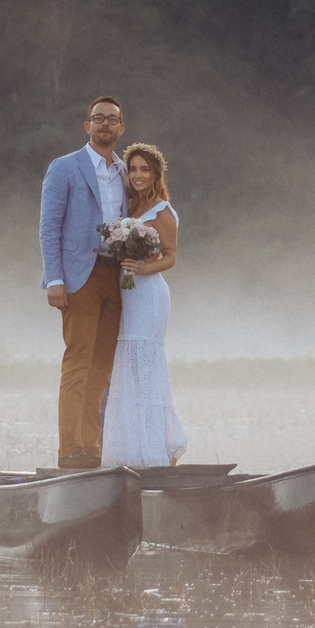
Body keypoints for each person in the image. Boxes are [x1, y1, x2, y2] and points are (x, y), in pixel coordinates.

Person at [40, 97, 132, 470]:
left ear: (121, 128)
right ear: (87, 126)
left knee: (102, 365)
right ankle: (69, 449)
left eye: (112, 119)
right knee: (78, 360)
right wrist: (55, 279)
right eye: (98, 119)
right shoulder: (65, 168)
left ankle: (92, 448)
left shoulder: (126, 172)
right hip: (79, 275)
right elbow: (49, 226)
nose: (105, 124)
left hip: (116, 276)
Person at [99, 143, 185, 469]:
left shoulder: (162, 211)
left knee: (145, 367)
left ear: (155, 174)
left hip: (149, 296)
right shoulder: (128, 211)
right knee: (129, 370)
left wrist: (143, 269)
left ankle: (158, 450)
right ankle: (129, 452)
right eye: (133, 169)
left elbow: (171, 256)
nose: (137, 175)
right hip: (128, 295)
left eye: (144, 169)